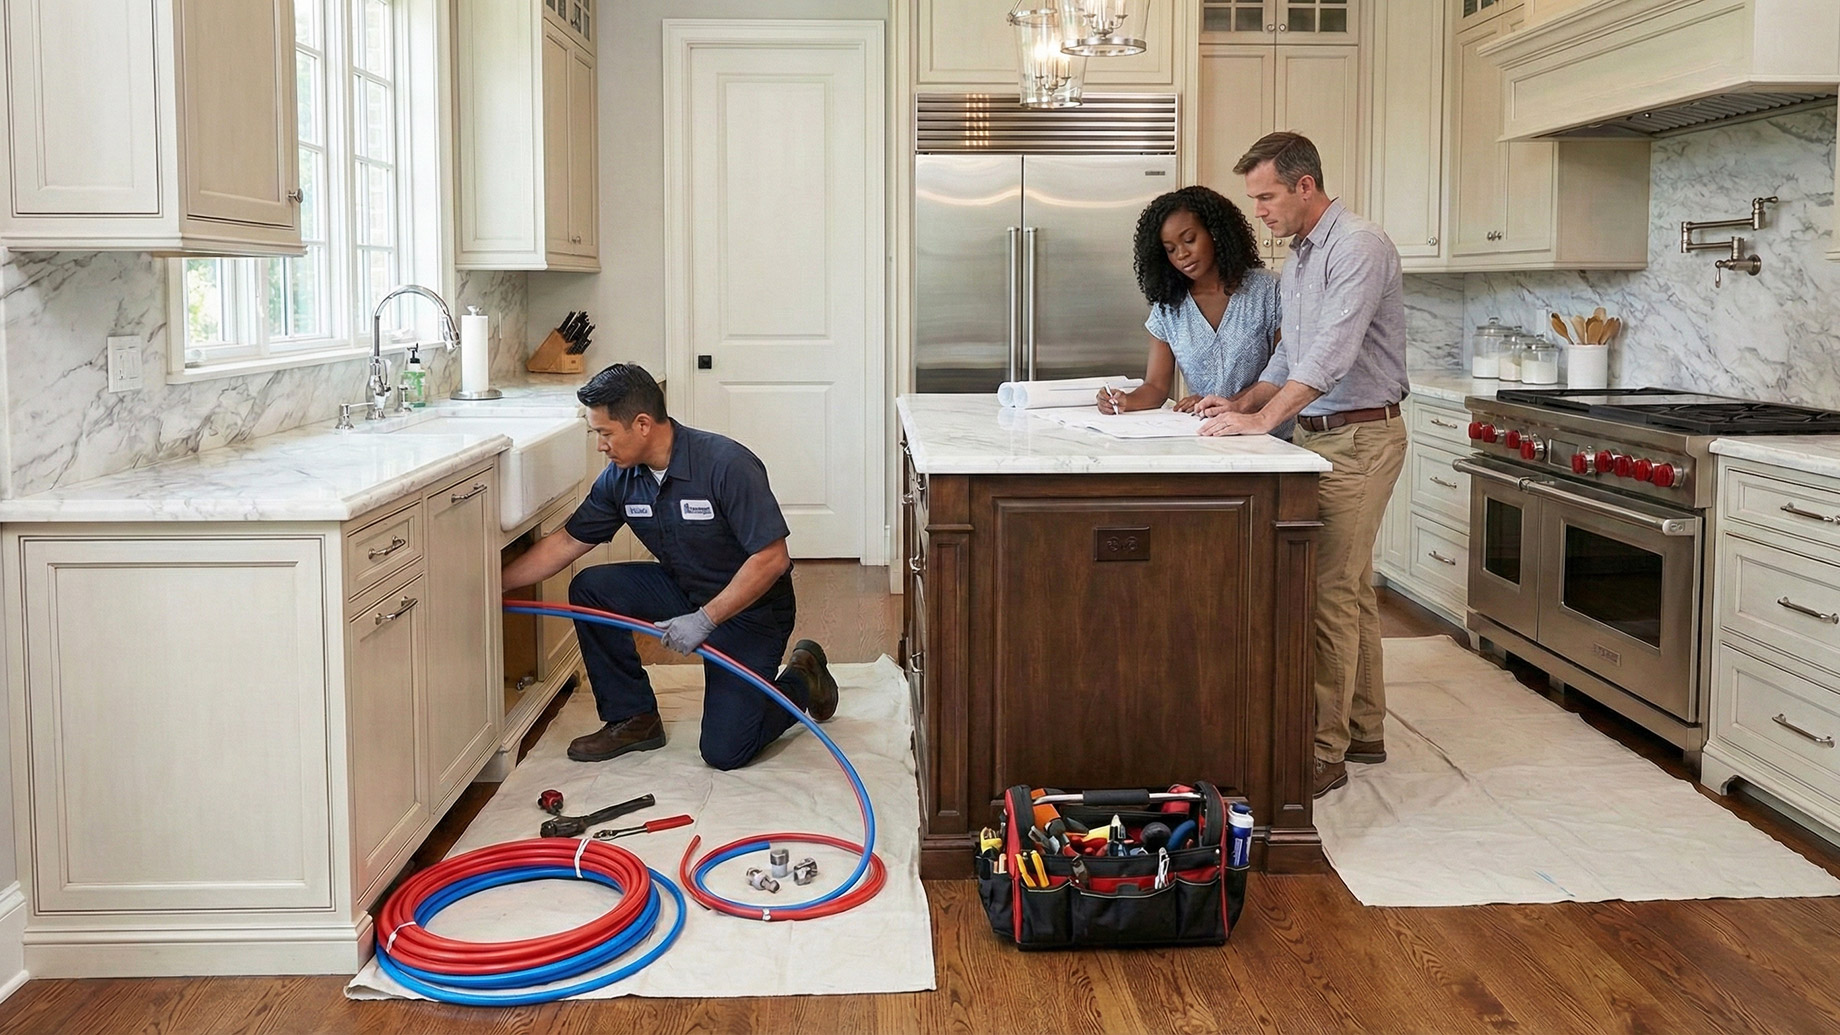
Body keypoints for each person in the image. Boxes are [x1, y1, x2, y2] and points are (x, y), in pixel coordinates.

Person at [1195, 131, 1410, 800]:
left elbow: (1332, 357)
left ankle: (1323, 752)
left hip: (1361, 438)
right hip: (1319, 438)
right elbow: (1292, 358)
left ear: (1304, 186)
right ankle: (1365, 730)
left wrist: (1262, 422)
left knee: (1325, 594)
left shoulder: (1359, 246)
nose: (1258, 210)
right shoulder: (1299, 261)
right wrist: (1240, 400)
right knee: (1348, 587)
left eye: (1265, 196)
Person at [501, 363, 838, 771]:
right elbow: (568, 541)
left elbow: (771, 559)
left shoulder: (725, 464)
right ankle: (634, 718)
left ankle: (803, 675)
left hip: (751, 609)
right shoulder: (621, 479)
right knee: (592, 588)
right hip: (684, 587)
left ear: (642, 424)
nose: (600, 446)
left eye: (605, 433)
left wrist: (706, 619)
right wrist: (491, 585)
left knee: (725, 751)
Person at [1094, 185, 1281, 420]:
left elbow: (1284, 373)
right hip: (1205, 439)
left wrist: (1224, 404)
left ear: (1215, 233)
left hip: (1269, 439)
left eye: (1189, 240)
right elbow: (1156, 387)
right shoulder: (1169, 308)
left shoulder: (1269, 291)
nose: (1182, 254)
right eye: (1170, 250)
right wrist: (1123, 401)